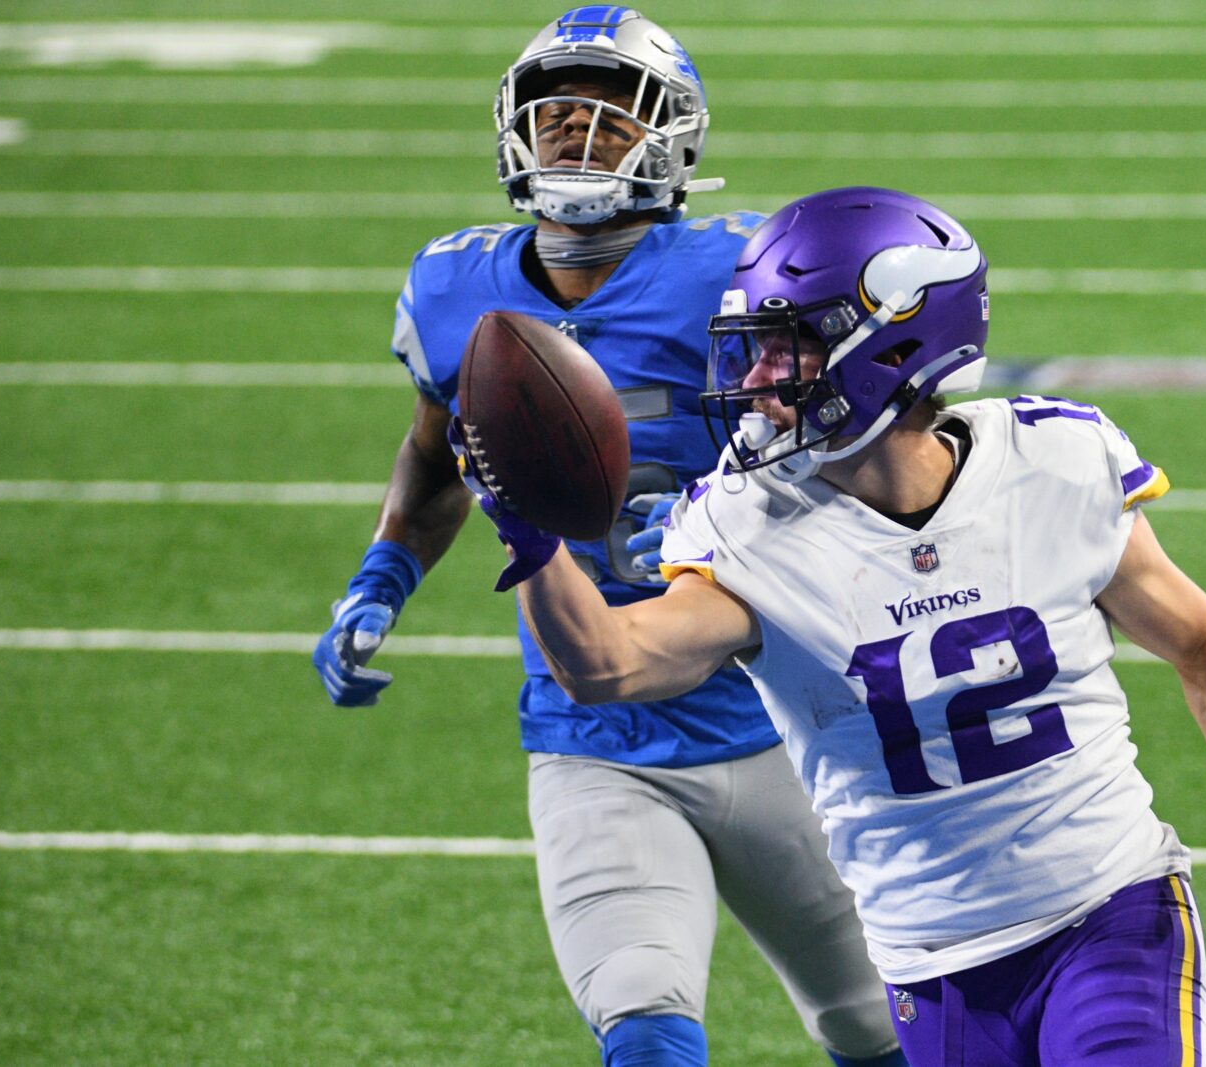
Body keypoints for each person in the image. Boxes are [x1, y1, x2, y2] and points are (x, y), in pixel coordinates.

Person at [461, 187, 1206, 1067]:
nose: (758, 380)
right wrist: (533, 545)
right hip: (931, 960)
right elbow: (609, 666)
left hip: (1108, 908)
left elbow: (1203, 636)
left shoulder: (1054, 462)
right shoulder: (749, 523)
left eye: (786, 347)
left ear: (894, 346)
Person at [312, 12, 905, 1067]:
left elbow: (861, 446)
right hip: (593, 735)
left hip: (788, 718)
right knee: (643, 1019)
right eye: (557, 116)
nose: (577, 135)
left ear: (669, 137)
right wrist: (383, 572)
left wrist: (754, 519)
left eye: (607, 117)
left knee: (881, 1024)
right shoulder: (453, 288)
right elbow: (434, 451)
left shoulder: (745, 273)